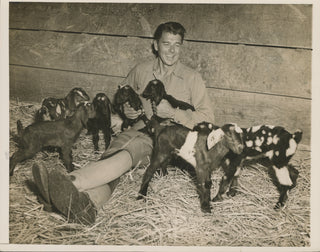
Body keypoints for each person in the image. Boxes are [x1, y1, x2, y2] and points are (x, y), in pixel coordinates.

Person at [32, 21, 215, 225]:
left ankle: (70, 182)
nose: (172, 51)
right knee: (116, 157)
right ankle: (87, 204)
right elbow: (121, 99)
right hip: (141, 130)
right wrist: (125, 111)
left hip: (172, 141)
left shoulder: (192, 78)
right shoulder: (141, 70)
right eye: (166, 44)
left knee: (127, 150)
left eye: (177, 45)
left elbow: (208, 119)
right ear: (156, 45)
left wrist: (174, 113)